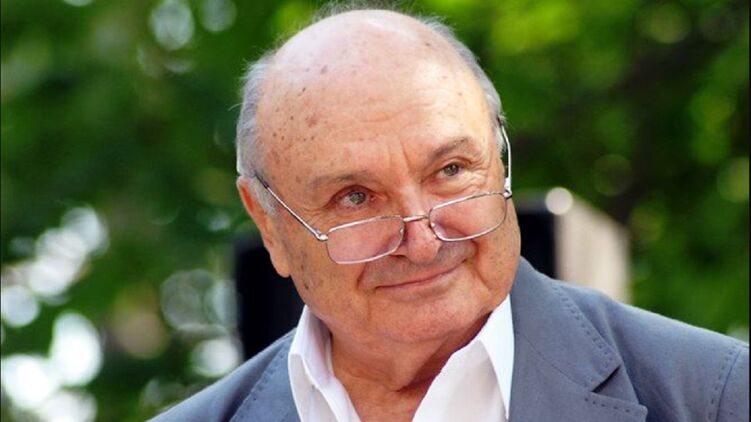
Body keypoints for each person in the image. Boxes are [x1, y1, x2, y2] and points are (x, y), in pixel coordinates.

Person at [153, 6, 748, 422]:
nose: (423, 240)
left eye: (451, 170)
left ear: (500, 161)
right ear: (270, 226)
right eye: (356, 198)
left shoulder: (717, 398)